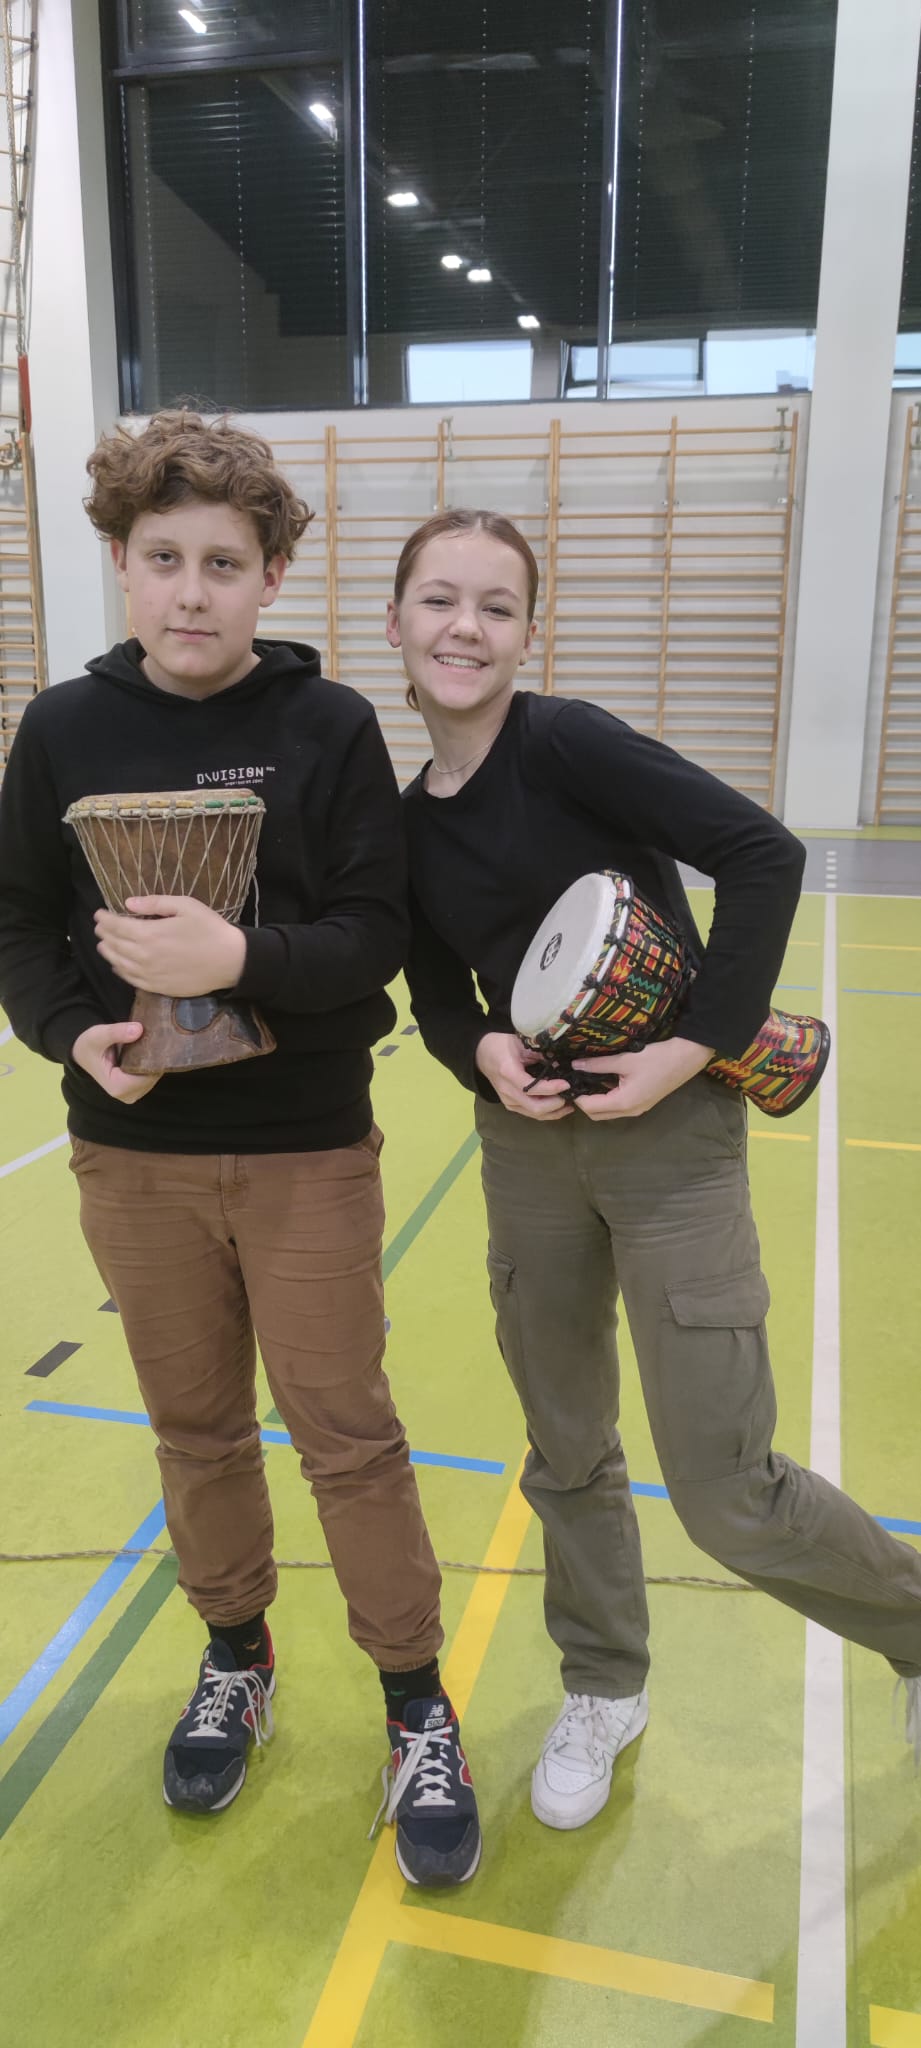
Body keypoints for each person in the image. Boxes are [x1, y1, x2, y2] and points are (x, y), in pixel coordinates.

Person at [387, 505, 921, 1833]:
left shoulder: (566, 742)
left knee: (725, 1487)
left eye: (496, 606)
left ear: (526, 632)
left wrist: (692, 1049)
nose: (465, 627)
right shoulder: (404, 824)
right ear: (395, 620)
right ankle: (602, 1685)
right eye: (440, 599)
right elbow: (438, 992)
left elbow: (763, 854)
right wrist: (480, 1054)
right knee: (565, 1448)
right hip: (526, 1153)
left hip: (671, 1143)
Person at [0, 415, 480, 1888]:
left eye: (224, 563)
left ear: (272, 577)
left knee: (346, 1433)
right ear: (122, 565)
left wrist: (237, 959)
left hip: (302, 1154)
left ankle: (414, 1700)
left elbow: (374, 939)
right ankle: (235, 1652)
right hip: (131, 1155)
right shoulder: (62, 730)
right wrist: (72, 1035)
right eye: (164, 559)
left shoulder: (327, 727)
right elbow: (19, 925)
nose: (192, 591)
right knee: (195, 1428)